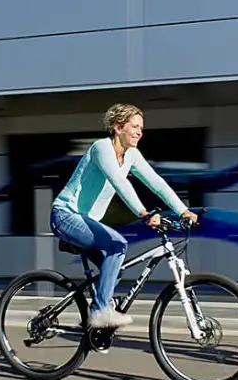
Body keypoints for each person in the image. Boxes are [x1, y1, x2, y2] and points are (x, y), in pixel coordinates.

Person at [50, 103, 198, 329]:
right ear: (119, 127)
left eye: (142, 127)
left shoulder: (132, 155)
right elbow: (119, 182)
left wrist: (183, 210)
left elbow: (157, 183)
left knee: (114, 269)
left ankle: (92, 322)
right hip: (66, 215)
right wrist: (143, 213)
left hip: (87, 222)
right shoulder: (101, 148)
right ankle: (100, 312)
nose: (140, 132)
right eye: (135, 126)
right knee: (117, 245)